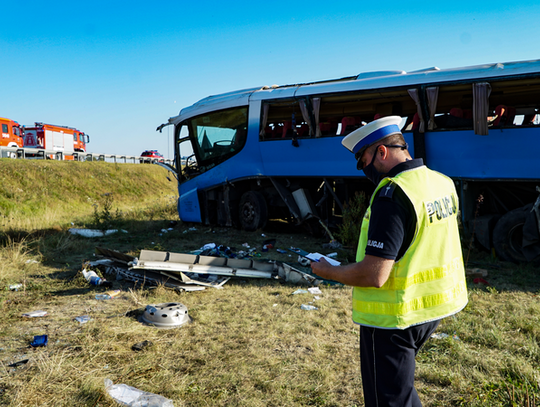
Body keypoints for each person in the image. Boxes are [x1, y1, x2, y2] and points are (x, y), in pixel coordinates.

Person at [311, 116, 468, 407]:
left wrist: (329, 272)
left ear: (381, 152)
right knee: (401, 391)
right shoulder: (441, 182)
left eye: (363, 161)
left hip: (393, 318)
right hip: (432, 309)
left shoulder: (392, 194)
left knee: (390, 400)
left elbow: (374, 275)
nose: (363, 169)